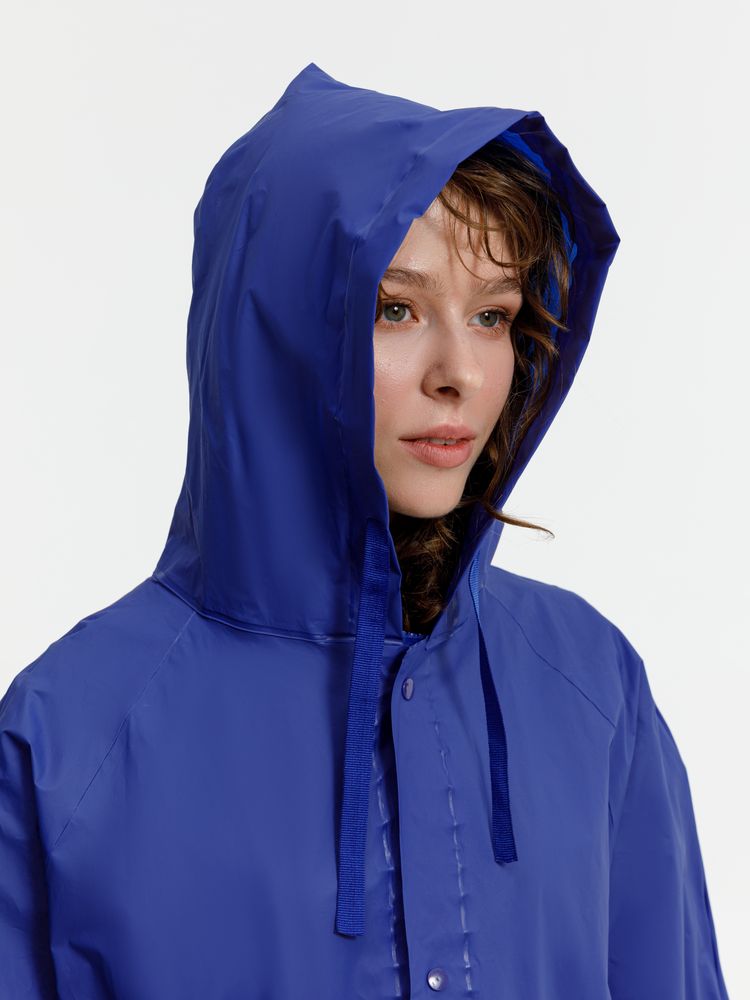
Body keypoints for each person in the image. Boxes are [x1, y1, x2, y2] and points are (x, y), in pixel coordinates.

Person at [0, 62, 730, 999]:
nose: (460, 372)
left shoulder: (591, 683)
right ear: (281, 336)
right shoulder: (72, 734)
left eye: (493, 315)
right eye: (396, 309)